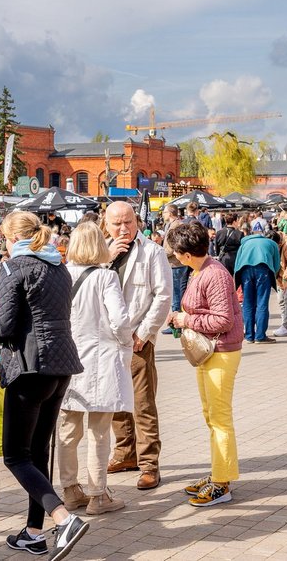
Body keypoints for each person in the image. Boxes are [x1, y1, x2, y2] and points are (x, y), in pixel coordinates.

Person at [0, 211, 89, 559]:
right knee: (38, 450)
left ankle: (63, 519)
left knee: (16, 454)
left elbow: (1, 328)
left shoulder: (13, 268)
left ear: (10, 237)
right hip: (61, 364)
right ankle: (34, 531)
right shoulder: (58, 265)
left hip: (30, 368)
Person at [57, 222, 134, 516]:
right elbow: (119, 319)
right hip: (100, 361)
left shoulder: (62, 275)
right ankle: (98, 494)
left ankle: (69, 489)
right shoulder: (106, 277)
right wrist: (125, 343)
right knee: (99, 431)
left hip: (67, 361)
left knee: (67, 430)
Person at [166, 222, 245, 507]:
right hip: (210, 350)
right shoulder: (200, 270)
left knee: (220, 418)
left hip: (221, 350)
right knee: (211, 415)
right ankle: (217, 473)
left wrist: (187, 320)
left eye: (175, 252)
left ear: (186, 254)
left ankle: (222, 483)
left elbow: (223, 320)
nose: (173, 256)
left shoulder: (214, 274)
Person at [104, 201, 172, 490]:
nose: (123, 228)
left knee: (142, 404)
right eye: (117, 224)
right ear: (106, 226)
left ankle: (149, 464)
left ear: (137, 222)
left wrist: (144, 334)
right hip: (107, 340)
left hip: (137, 340)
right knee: (114, 401)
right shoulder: (101, 252)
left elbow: (163, 295)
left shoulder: (152, 252)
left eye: (128, 222)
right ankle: (124, 453)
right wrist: (106, 259)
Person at [234, 231, 280, 344]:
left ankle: (249, 336)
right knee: (262, 303)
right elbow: (277, 265)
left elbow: (237, 263)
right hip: (263, 271)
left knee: (247, 303)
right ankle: (260, 336)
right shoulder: (271, 243)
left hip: (245, 272)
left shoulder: (244, 244)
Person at [161, 204, 190, 336]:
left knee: (177, 294)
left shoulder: (175, 225)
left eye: (165, 212)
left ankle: (176, 325)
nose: (163, 214)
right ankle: (177, 323)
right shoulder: (174, 224)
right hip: (176, 263)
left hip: (176, 264)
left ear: (171, 213)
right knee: (178, 293)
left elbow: (173, 245)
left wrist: (162, 253)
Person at [214, 213, 244, 277]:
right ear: (234, 222)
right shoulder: (240, 234)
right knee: (236, 280)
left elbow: (217, 247)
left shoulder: (219, 232)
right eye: (237, 221)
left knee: (224, 278)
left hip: (223, 259)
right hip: (235, 259)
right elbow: (242, 249)